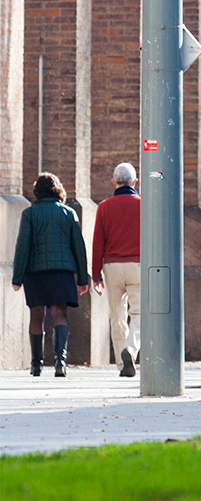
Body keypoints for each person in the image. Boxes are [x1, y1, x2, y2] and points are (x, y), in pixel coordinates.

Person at [9, 173, 90, 377]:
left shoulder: (30, 214)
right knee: (59, 315)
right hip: (61, 272)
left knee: (36, 317)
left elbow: (22, 247)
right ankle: (60, 362)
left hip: (35, 272)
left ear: (37, 191)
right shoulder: (69, 213)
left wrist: (17, 277)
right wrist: (82, 278)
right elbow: (79, 247)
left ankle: (36, 365)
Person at [92, 162, 141, 377]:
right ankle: (131, 348)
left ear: (114, 182)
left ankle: (122, 364)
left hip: (112, 266)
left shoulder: (104, 207)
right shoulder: (144, 205)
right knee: (140, 313)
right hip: (139, 265)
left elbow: (97, 242)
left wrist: (95, 275)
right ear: (135, 182)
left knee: (117, 315)